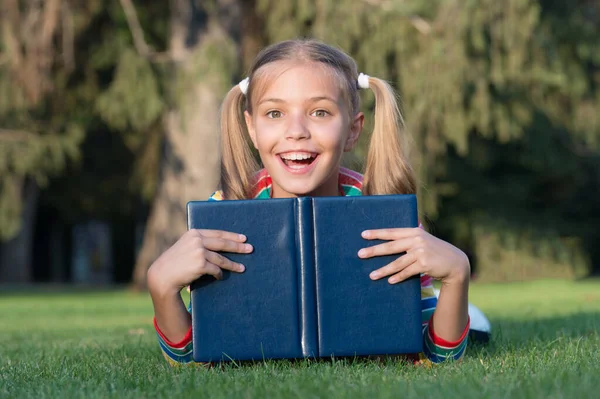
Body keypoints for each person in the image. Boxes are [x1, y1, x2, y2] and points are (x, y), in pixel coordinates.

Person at [147, 39, 471, 366]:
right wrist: (161, 287)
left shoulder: (387, 215)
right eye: (275, 113)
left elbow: (433, 360)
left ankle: (477, 320)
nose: (297, 131)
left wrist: (457, 274)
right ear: (252, 129)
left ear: (352, 130)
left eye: (320, 112)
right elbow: (195, 362)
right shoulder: (224, 210)